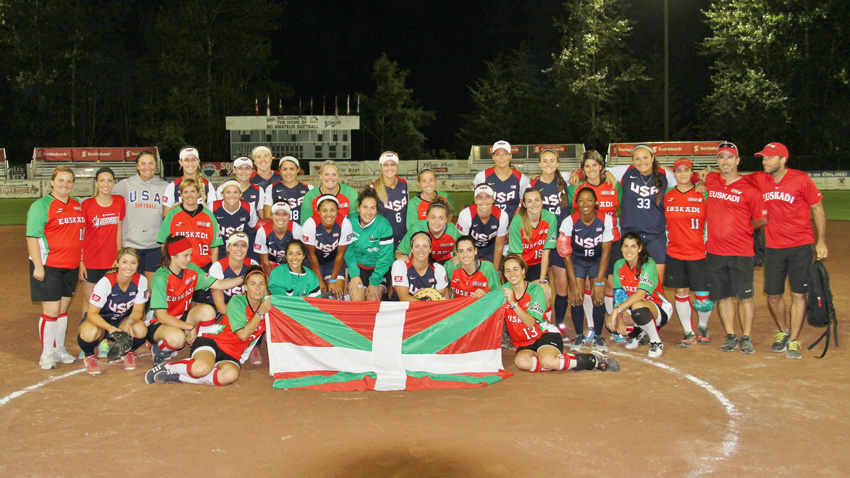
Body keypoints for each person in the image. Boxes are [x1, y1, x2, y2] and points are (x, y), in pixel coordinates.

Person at [749, 142, 827, 359]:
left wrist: (821, 241)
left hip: (801, 246)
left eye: (769, 158)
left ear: (783, 159)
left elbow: (817, 208)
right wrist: (704, 179)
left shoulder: (801, 179)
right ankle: (784, 331)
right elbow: (733, 178)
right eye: (763, 158)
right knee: (773, 295)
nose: (765, 161)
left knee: (798, 294)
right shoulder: (759, 179)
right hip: (773, 247)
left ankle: (794, 340)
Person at [145, 266, 271, 386]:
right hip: (213, 341)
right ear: (245, 287)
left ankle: (179, 377)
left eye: (261, 284)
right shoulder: (237, 301)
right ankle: (168, 368)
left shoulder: (270, 304)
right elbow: (243, 335)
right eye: (253, 284)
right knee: (201, 368)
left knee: (230, 376)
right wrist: (260, 313)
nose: (258, 288)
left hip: (233, 354)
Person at [500, 254, 619, 373]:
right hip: (524, 343)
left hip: (544, 334)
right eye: (507, 270)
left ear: (523, 271)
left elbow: (530, 322)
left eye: (516, 269)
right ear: (504, 275)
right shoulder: (502, 292)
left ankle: (593, 359)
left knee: (548, 362)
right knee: (521, 362)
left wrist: (513, 303)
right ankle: (556, 361)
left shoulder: (535, 290)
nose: (512, 274)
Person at [702, 142, 768, 354]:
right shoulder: (711, 180)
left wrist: (744, 228)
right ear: (718, 162)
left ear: (738, 161)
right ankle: (730, 334)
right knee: (722, 296)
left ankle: (746, 336)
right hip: (714, 250)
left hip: (741, 251)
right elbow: (687, 175)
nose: (725, 161)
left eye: (730, 157)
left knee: (745, 297)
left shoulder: (750, 190)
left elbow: (761, 219)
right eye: (721, 157)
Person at [147, 235, 244, 367]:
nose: (189, 259)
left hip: (181, 317)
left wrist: (245, 277)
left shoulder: (191, 270)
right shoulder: (161, 277)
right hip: (159, 323)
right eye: (185, 255)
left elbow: (219, 284)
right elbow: (162, 316)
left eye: (190, 255)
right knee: (178, 340)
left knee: (208, 311)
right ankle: (158, 350)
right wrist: (190, 327)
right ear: (173, 255)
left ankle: (201, 347)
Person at [26, 166, 85, 369]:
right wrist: (38, 266)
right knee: (51, 310)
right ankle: (46, 353)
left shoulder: (76, 204)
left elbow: (80, 236)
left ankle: (59, 349)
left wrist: (81, 262)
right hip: (49, 265)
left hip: (70, 266)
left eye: (69, 181)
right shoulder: (41, 205)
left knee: (62, 309)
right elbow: (32, 237)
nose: (65, 185)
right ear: (51, 182)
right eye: (61, 180)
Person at [566, 150, 623, 339]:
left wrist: (610, 175)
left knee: (609, 285)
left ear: (601, 167)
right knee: (588, 286)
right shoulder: (577, 187)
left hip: (610, 241)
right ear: (582, 170)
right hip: (586, 243)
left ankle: (613, 323)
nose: (591, 169)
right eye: (587, 166)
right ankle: (592, 326)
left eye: (595, 165)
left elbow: (622, 205)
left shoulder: (613, 185)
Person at [663, 158, 713, 347]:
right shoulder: (668, 194)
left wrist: (706, 173)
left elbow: (715, 171)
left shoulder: (703, 193)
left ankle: (703, 326)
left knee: (703, 295)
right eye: (678, 171)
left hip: (699, 251)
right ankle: (688, 331)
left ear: (692, 172)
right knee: (681, 291)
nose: (682, 174)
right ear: (674, 174)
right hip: (675, 251)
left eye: (686, 170)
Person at [558, 187, 613, 352]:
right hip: (577, 260)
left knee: (598, 296)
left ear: (596, 202)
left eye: (589, 200)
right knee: (576, 296)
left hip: (597, 260)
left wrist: (599, 283)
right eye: (581, 200)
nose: (585, 204)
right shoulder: (569, 221)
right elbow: (565, 253)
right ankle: (579, 336)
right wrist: (573, 283)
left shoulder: (606, 220)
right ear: (576, 203)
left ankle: (597, 336)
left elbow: (606, 253)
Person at [77, 248, 149, 374]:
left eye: (133, 262)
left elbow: (138, 311)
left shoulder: (141, 281)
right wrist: (109, 328)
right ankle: (89, 356)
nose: (129, 266)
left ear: (138, 264)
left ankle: (128, 352)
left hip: (121, 320)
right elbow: (92, 314)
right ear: (117, 263)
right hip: (100, 321)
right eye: (124, 262)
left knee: (141, 329)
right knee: (89, 332)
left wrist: (130, 322)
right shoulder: (106, 282)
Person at [606, 232, 673, 358]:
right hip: (636, 308)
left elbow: (640, 294)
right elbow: (619, 296)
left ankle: (656, 341)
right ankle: (639, 331)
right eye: (625, 246)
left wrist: (616, 310)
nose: (629, 250)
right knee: (612, 324)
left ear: (640, 248)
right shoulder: (619, 265)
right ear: (621, 248)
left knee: (637, 306)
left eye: (633, 246)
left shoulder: (648, 264)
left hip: (659, 308)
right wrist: (619, 317)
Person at [530, 148, 571, 337]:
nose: (548, 164)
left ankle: (560, 324)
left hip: (561, 243)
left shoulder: (566, 185)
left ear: (558, 163)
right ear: (539, 164)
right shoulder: (533, 185)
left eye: (552, 161)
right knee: (541, 284)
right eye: (544, 161)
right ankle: (541, 323)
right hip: (540, 242)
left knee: (561, 285)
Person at [112, 150, 168, 289]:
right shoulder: (124, 185)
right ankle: (131, 311)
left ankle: (149, 311)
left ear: (156, 166)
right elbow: (106, 199)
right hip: (131, 245)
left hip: (154, 245)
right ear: (137, 166)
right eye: (142, 163)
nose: (147, 167)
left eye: (151, 163)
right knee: (130, 285)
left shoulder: (165, 187)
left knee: (152, 286)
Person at [80, 167, 125, 319]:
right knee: (90, 301)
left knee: (110, 300)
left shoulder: (119, 201)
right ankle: (87, 336)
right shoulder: (87, 205)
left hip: (111, 260)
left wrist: (119, 257)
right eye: (102, 180)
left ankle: (106, 333)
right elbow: (81, 234)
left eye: (109, 180)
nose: (106, 184)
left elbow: (119, 229)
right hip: (90, 260)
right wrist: (81, 261)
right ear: (96, 183)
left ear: (114, 182)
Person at [158, 179, 223, 271]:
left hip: (203, 267)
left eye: (193, 191)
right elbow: (164, 244)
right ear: (181, 195)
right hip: (179, 268)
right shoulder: (172, 215)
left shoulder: (209, 216)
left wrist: (214, 270)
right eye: (185, 192)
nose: (189, 195)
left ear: (198, 193)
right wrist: (166, 267)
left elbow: (214, 247)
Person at [346, 187, 394, 301]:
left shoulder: (384, 226)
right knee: (357, 303)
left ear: (377, 210)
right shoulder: (349, 222)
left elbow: (385, 258)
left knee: (372, 302)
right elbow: (348, 250)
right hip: (358, 268)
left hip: (379, 268)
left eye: (372, 208)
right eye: (365, 207)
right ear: (358, 208)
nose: (368, 212)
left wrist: (374, 282)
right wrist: (354, 274)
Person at [301, 195, 354, 298]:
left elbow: (340, 255)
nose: (328, 214)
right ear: (319, 211)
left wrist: (333, 280)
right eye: (324, 211)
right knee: (318, 294)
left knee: (336, 296)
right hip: (314, 261)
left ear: (338, 211)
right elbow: (311, 255)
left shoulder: (345, 224)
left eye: (332, 210)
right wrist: (319, 280)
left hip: (333, 261)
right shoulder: (310, 224)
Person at [507, 188, 557, 288]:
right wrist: (523, 279)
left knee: (545, 293)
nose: (534, 204)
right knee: (522, 293)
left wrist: (542, 281)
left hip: (538, 264)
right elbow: (518, 255)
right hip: (519, 263)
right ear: (524, 204)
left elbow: (546, 252)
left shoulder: (550, 218)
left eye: (537, 200)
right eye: (529, 201)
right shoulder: (517, 221)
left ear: (542, 201)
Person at [473, 140, 530, 221]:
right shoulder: (482, 177)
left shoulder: (522, 179)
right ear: (493, 157)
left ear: (510, 156)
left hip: (512, 224)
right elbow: (477, 201)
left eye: (505, 154)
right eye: (497, 154)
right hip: (489, 224)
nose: (501, 157)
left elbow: (524, 204)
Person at [455, 183, 508, 271]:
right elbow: (461, 242)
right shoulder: (466, 215)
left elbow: (499, 246)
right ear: (475, 200)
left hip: (491, 250)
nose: (484, 201)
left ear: (493, 199)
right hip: (470, 250)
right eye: (480, 198)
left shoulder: (502, 216)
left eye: (487, 197)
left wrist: (496, 271)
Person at [396, 199, 460, 265]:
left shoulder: (452, 231)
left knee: (458, 263)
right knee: (400, 263)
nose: (436, 222)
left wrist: (458, 256)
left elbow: (462, 250)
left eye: (441, 218)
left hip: (444, 262)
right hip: (421, 263)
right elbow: (399, 251)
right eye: (433, 217)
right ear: (427, 217)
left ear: (447, 219)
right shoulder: (417, 228)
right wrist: (401, 256)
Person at [209, 232, 258, 316]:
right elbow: (221, 307)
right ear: (228, 248)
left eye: (243, 245)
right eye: (235, 245)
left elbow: (259, 296)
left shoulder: (253, 265)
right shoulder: (218, 267)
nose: (239, 249)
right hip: (224, 313)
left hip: (247, 311)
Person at [391, 232, 449, 301]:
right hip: (402, 309)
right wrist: (427, 306)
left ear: (430, 249)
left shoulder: (438, 269)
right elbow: (404, 298)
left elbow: (439, 300)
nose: (421, 250)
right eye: (417, 246)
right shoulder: (400, 265)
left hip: (428, 310)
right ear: (411, 249)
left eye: (425, 246)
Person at [162, 146, 217, 215]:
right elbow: (166, 216)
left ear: (198, 161)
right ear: (180, 162)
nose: (190, 163)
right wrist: (174, 210)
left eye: (193, 160)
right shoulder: (173, 186)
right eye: (186, 160)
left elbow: (213, 214)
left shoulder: (207, 185)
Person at [211, 179, 258, 259]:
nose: (232, 196)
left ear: (240, 194)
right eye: (228, 192)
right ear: (222, 194)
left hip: (242, 252)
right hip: (220, 252)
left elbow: (253, 226)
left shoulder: (249, 208)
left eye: (235, 192)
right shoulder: (212, 207)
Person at [372, 151, 409, 248]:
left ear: (397, 166)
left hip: (404, 235)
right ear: (380, 167)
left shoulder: (404, 184)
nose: (389, 168)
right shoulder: (373, 187)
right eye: (386, 165)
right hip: (384, 236)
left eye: (393, 164)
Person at [255, 202, 302, 273]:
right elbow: (265, 261)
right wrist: (273, 280)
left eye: (285, 214)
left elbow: (299, 257)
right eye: (277, 214)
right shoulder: (263, 231)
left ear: (289, 216)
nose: (281, 217)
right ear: (271, 215)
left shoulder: (296, 229)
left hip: (291, 262)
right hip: (270, 263)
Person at [264, 155, 312, 225]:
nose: (288, 172)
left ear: (298, 170)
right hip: (280, 231)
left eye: (292, 169)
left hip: (302, 231)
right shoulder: (271, 188)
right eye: (284, 169)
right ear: (280, 170)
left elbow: (313, 214)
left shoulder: (309, 188)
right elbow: (267, 216)